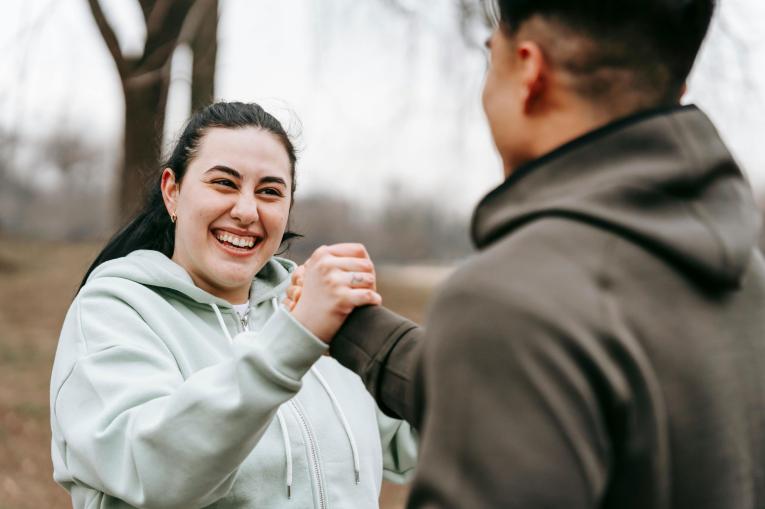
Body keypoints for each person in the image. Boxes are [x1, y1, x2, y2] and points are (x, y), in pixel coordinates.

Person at [288, 0, 765, 507]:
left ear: (529, 71)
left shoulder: (511, 300)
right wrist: (360, 333)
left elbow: (527, 352)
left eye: (490, 55)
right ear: (676, 90)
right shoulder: (745, 278)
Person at [49, 101, 417, 509]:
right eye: (224, 183)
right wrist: (293, 342)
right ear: (172, 191)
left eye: (270, 192)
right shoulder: (113, 311)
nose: (246, 211)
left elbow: (421, 438)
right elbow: (157, 472)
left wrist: (395, 343)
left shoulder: (309, 309)